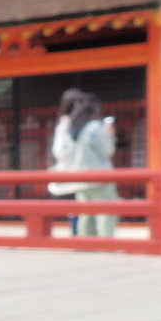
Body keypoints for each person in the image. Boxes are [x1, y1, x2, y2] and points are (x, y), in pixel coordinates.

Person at [48, 89, 118, 237]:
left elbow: (59, 152)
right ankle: (107, 244)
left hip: (77, 178)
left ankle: (86, 245)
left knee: (86, 214)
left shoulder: (65, 127)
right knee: (107, 212)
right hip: (99, 178)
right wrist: (110, 135)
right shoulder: (94, 128)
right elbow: (107, 151)